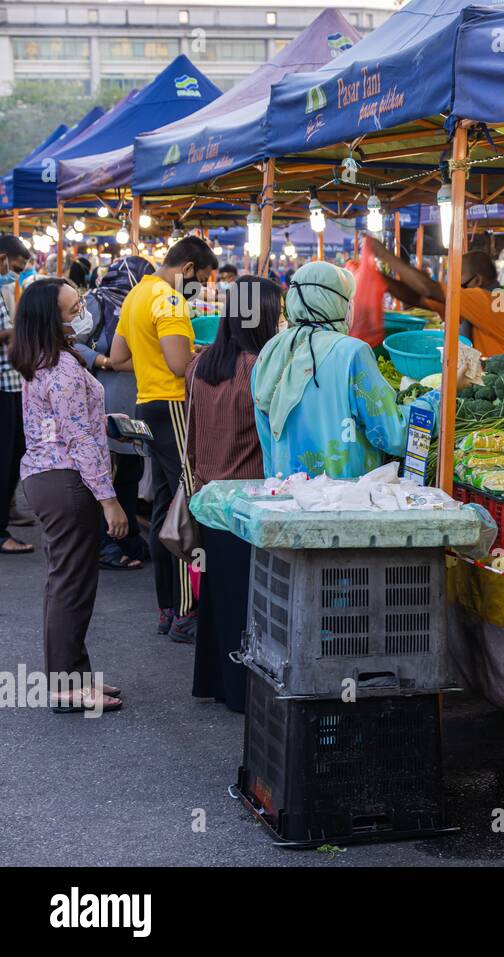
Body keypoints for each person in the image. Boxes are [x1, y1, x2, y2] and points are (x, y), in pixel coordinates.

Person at [11, 278, 129, 713]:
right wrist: (109, 499)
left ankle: (74, 676)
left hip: (49, 478)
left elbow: (71, 424)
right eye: (75, 305)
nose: (84, 309)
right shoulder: (59, 366)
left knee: (66, 583)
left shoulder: (45, 360)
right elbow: (77, 438)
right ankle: (66, 685)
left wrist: (104, 418)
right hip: (65, 481)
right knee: (71, 585)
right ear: (52, 318)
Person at [109, 236, 218, 643]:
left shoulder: (137, 295)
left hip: (146, 405)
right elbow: (178, 364)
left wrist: (166, 354)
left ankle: (166, 608)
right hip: (173, 406)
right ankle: (188, 613)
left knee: (163, 507)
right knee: (189, 505)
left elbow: (119, 358)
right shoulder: (171, 300)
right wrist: (205, 354)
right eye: (201, 281)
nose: (199, 290)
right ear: (188, 268)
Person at [189, 275, 279, 713]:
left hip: (209, 499)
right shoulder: (259, 368)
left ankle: (219, 682)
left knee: (219, 598)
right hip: (246, 503)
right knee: (250, 603)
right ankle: (244, 694)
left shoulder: (200, 365)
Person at [252, 260, 409, 478]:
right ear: (336, 303)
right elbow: (393, 434)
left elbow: (267, 440)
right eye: (348, 300)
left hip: (285, 498)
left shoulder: (270, 352)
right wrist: (434, 404)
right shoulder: (352, 353)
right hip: (346, 502)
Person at [76, 256, 153, 570]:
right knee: (106, 473)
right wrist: (103, 361)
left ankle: (128, 536)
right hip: (105, 397)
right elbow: (67, 342)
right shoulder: (96, 303)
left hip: (135, 398)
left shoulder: (144, 304)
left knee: (130, 470)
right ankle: (104, 544)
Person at [367, 237, 504, 358]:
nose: (454, 287)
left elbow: (428, 288)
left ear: (477, 280)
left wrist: (384, 254)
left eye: (458, 281)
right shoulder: (479, 303)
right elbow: (416, 299)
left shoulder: (489, 299)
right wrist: (381, 279)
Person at [0, 241, 33, 555]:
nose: (15, 275)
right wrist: (15, 332)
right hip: (2, 386)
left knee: (12, 458)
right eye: (15, 268)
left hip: (10, 384)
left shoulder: (5, 291)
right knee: (4, 459)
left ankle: (5, 517)